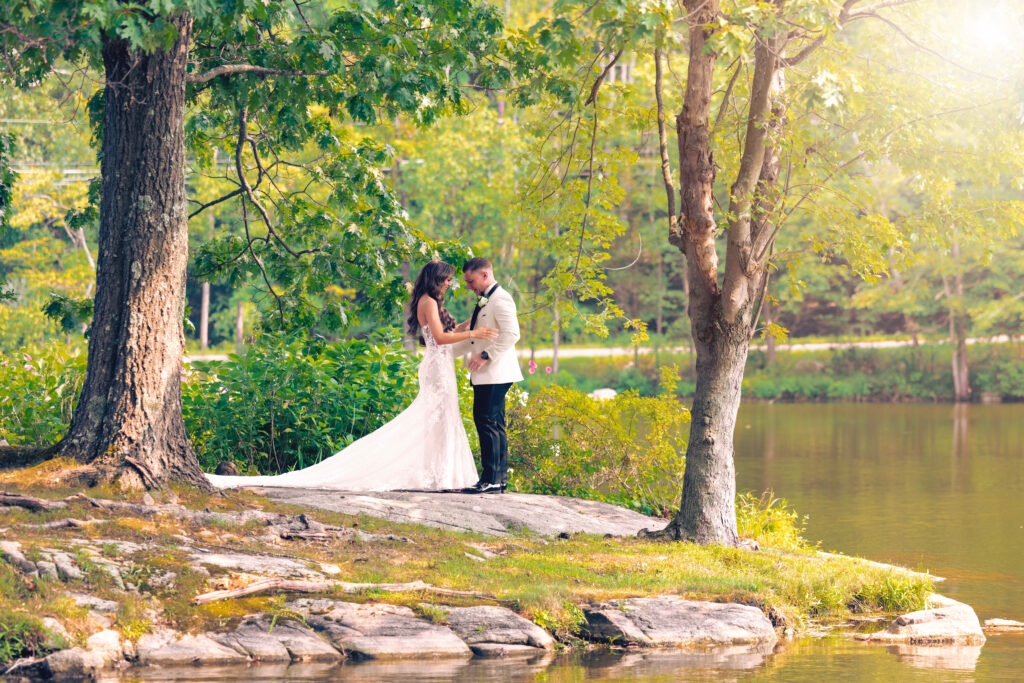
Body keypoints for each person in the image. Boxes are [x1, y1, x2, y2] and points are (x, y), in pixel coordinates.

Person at [206, 260, 498, 492]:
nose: (451, 284)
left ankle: (443, 473)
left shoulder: (429, 302)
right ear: (437, 280)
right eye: (447, 279)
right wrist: (475, 333)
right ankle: (437, 474)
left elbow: (444, 333)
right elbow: (438, 337)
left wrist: (467, 324)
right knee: (436, 417)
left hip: (441, 365)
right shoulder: (428, 301)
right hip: (437, 367)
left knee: (444, 418)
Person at [453, 257, 524, 494]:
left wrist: (485, 355)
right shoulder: (486, 300)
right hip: (487, 375)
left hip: (495, 373)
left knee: (487, 423)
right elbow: (476, 338)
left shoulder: (501, 298)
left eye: (470, 281)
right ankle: (498, 480)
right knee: (493, 424)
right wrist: (445, 351)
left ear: (484, 275)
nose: (468, 286)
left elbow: (511, 334)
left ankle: (491, 480)